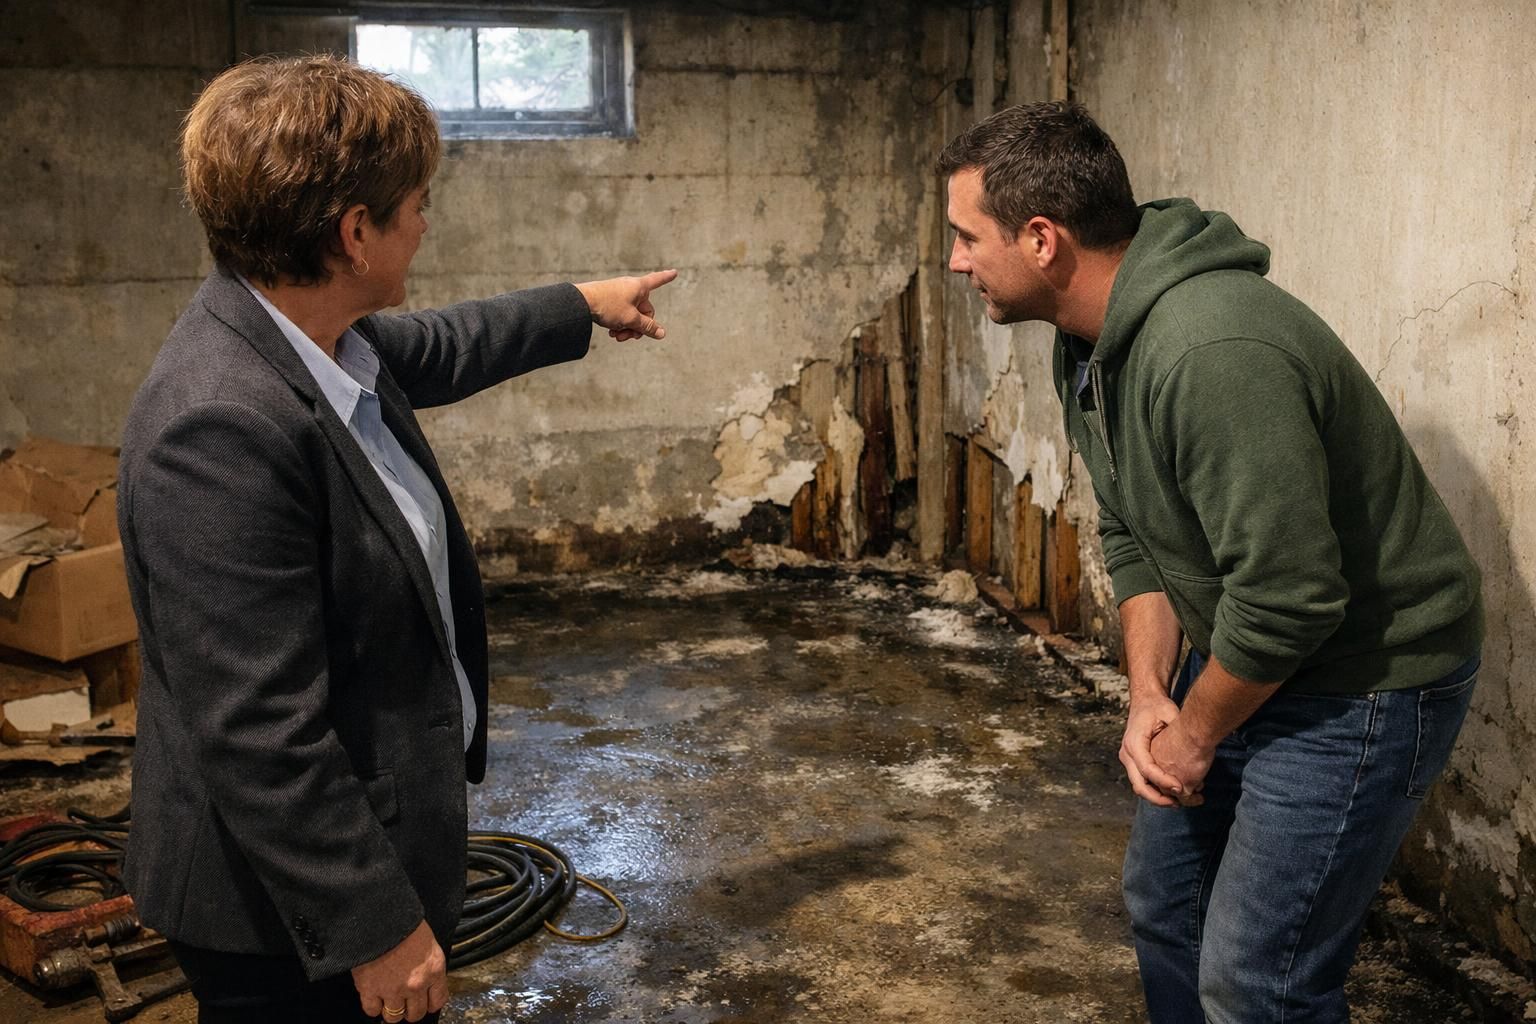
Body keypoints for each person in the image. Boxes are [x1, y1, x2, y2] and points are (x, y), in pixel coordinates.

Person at [118, 55, 675, 1024]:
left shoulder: (319, 339)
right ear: (355, 233)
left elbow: (449, 343)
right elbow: (259, 731)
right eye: (418, 204)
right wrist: (373, 924)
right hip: (275, 918)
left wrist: (584, 303)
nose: (426, 222)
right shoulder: (219, 426)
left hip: (358, 846)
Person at [938, 101, 1483, 1023]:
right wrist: (1150, 693)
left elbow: (1292, 599)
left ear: (1040, 239)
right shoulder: (1089, 341)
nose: (956, 262)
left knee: (1259, 982)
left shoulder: (1210, 351)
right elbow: (1135, 533)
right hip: (1256, 649)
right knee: (1168, 907)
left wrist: (1195, 733)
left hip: (1362, 678)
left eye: (966, 237)